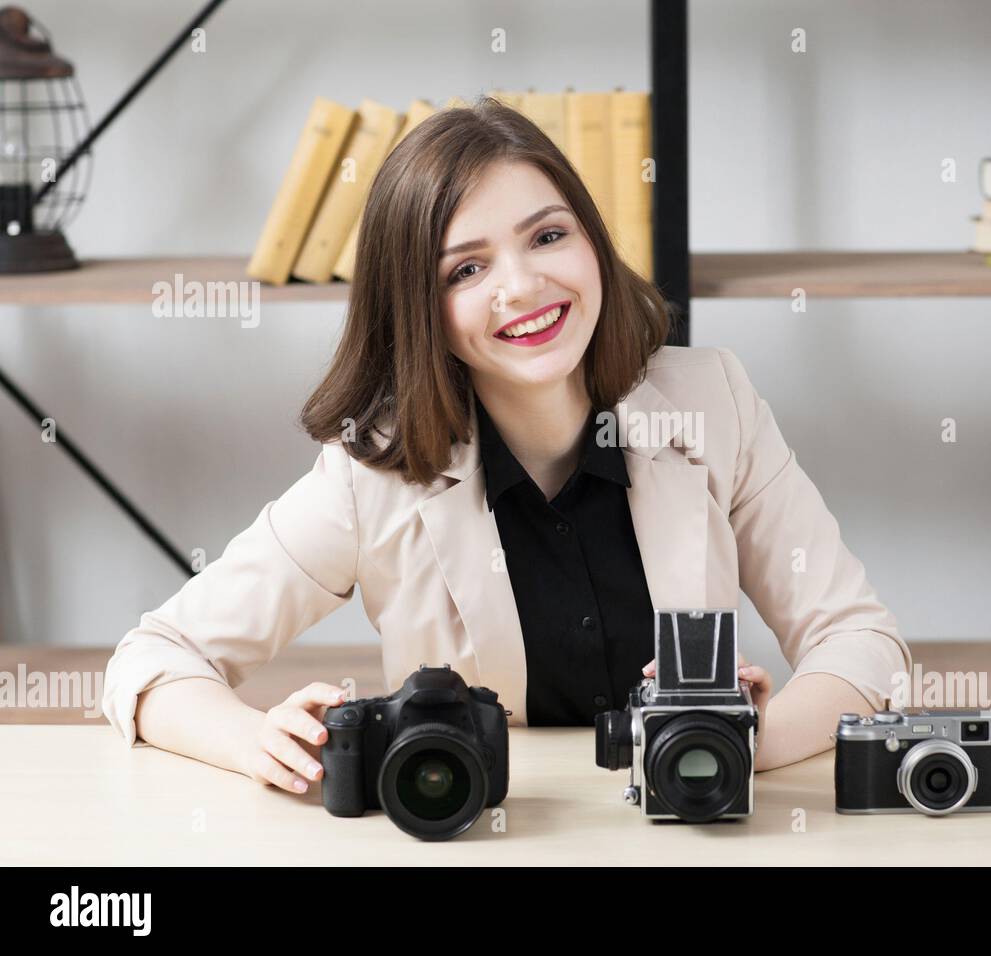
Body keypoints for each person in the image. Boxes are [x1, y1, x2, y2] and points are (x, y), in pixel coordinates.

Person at [103, 96, 910, 795]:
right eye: (465, 270)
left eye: (548, 236)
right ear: (420, 309)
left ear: (592, 241)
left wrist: (732, 741)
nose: (521, 287)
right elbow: (152, 658)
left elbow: (863, 642)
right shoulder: (371, 472)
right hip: (490, 836)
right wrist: (252, 743)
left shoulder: (713, 401)